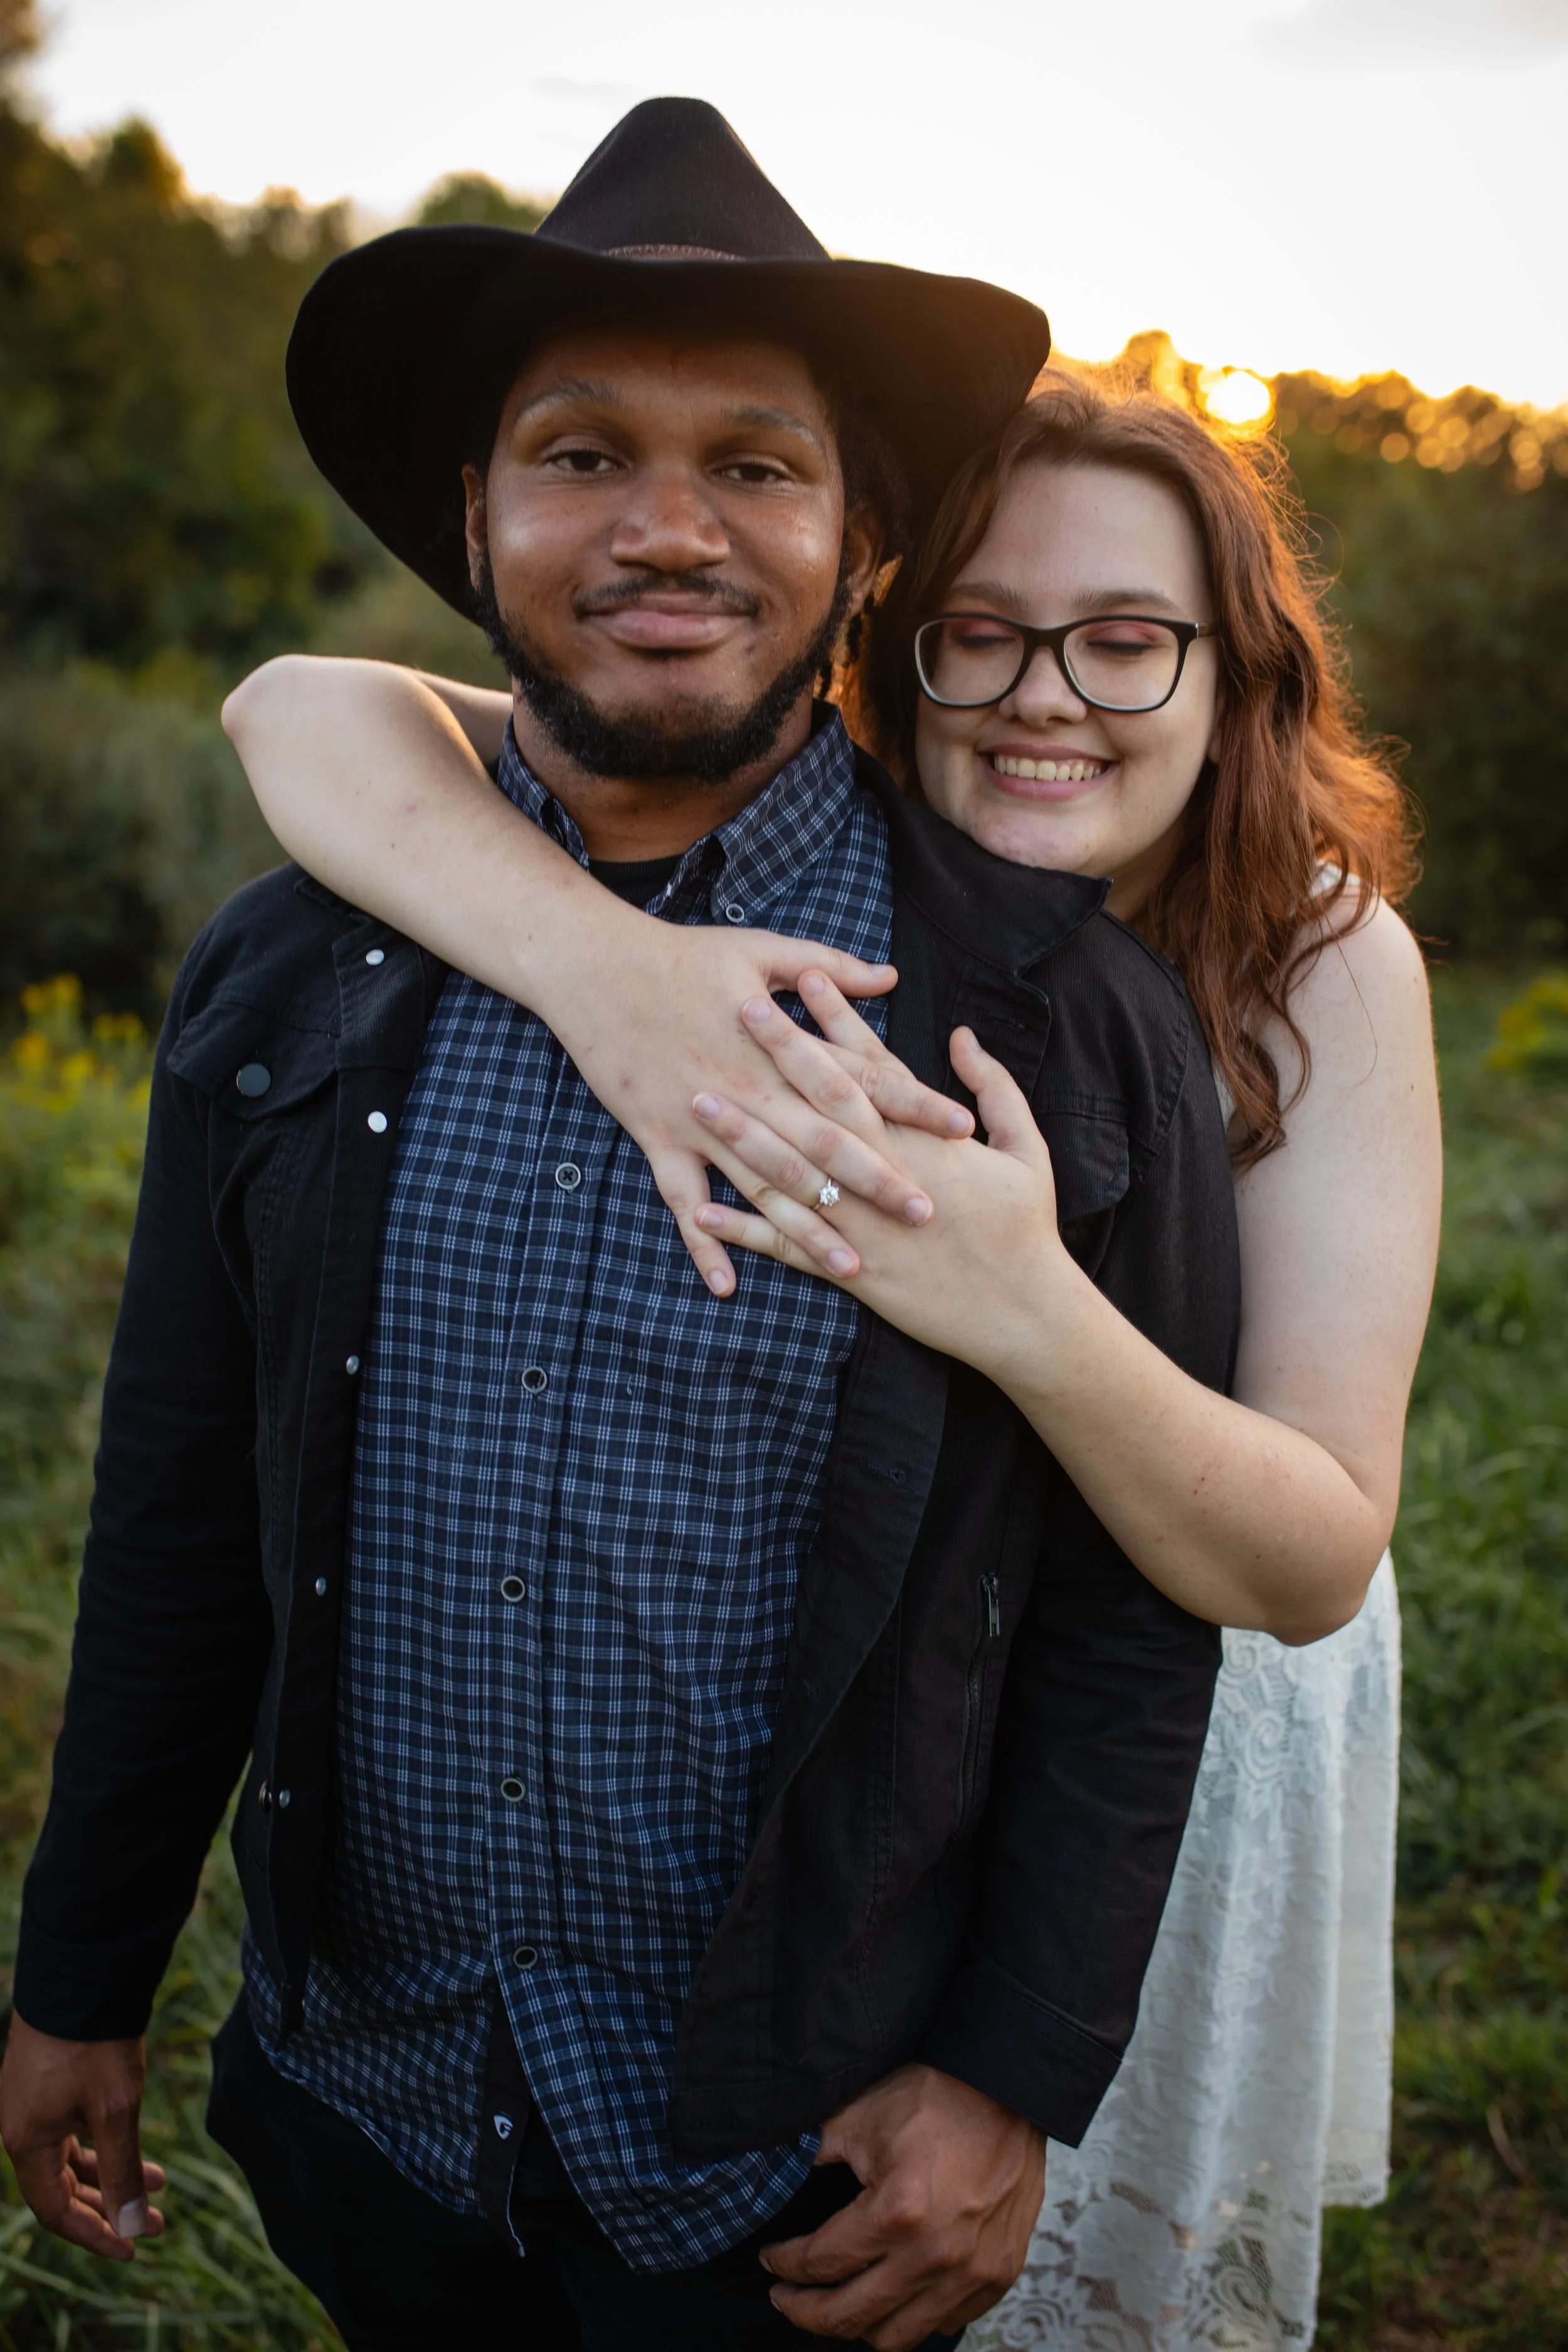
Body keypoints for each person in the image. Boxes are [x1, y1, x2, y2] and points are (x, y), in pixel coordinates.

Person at [0, 103, 1242, 2352]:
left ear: (863, 543)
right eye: (578, 453)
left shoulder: (1055, 1019)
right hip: (365, 2090)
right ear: (469, 523)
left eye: (756, 466)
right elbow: (177, 1501)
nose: (668, 528)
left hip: (794, 2164)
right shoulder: (287, 971)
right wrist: (79, 1971)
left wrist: (1008, 2074)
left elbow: (1117, 1620)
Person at [220, 374, 1441, 2347]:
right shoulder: (823, 881)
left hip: (1187, 1646)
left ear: (1239, 672)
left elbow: (1293, 1560)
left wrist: (1016, 1292)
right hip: (903, 1730)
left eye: (1125, 642)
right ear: (892, 640)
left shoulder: (1312, 955)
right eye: (980, 630)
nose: (1044, 693)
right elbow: (295, 705)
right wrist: (595, 963)